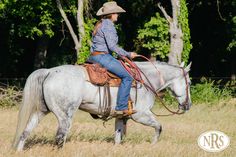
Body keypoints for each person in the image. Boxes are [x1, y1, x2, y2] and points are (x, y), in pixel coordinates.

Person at [88, 1, 137, 115]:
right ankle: (121, 107)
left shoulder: (100, 24)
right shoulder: (108, 25)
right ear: (112, 14)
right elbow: (112, 46)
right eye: (116, 13)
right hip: (102, 57)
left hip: (94, 56)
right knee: (128, 76)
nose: (118, 15)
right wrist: (128, 54)